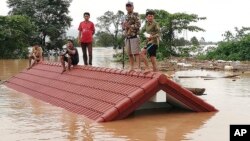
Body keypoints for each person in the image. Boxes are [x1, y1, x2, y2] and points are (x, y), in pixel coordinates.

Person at [123, 1, 141, 71]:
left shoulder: (136, 14)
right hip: (127, 37)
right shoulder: (125, 16)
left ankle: (138, 67)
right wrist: (124, 26)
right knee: (129, 53)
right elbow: (123, 27)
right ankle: (131, 67)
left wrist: (129, 26)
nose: (128, 7)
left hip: (134, 36)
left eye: (130, 6)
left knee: (136, 53)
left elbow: (138, 25)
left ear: (133, 7)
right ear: (126, 8)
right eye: (127, 6)